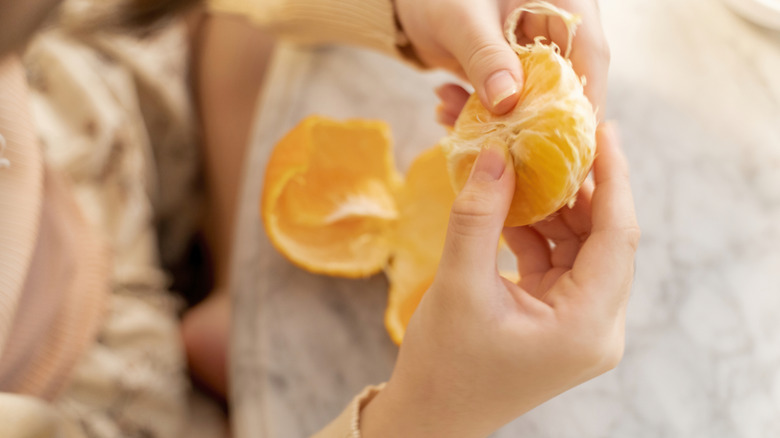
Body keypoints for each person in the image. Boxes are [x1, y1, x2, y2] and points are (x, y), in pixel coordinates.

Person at [0, 1, 637, 438]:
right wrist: (428, 414)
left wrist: (399, 9)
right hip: (71, 397)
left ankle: (229, 292)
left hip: (77, 128)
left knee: (240, 33)